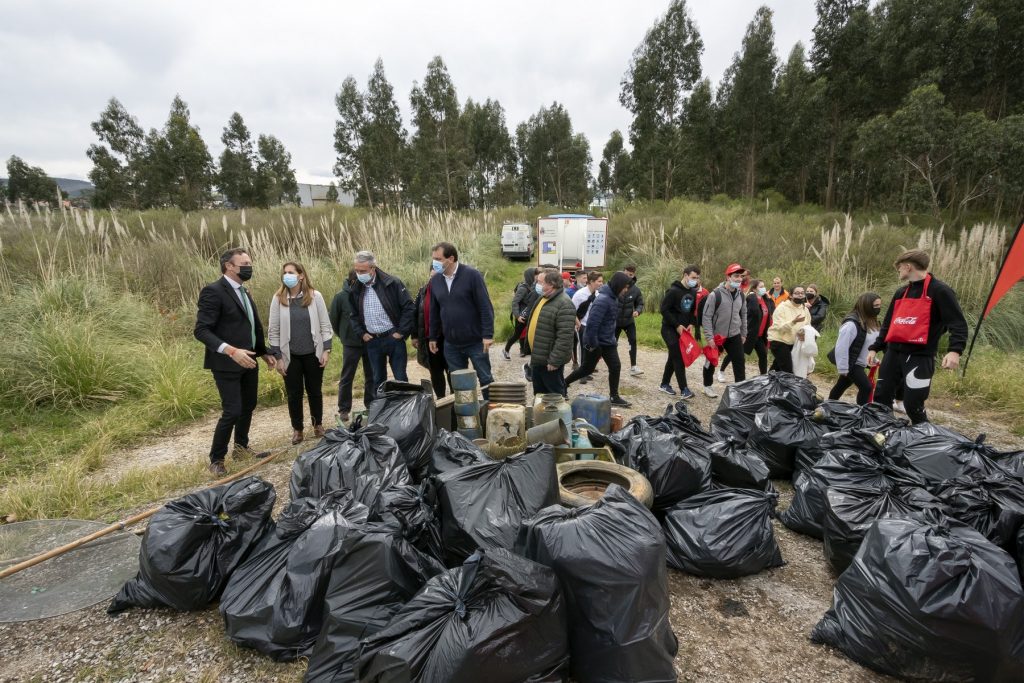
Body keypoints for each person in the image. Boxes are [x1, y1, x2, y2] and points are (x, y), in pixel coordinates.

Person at [194, 248, 276, 477]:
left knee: (248, 406)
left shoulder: (244, 291)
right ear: (229, 266)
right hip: (227, 362)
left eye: (250, 262)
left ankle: (241, 448)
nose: (249, 266)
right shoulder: (213, 292)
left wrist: (263, 351)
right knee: (232, 410)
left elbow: (250, 325)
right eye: (245, 263)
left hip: (249, 360)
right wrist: (230, 351)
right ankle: (216, 459)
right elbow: (201, 330)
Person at [867, 249, 968, 425]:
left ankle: (923, 440)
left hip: (920, 357)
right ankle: (882, 436)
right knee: (881, 399)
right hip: (892, 354)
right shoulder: (901, 292)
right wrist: (875, 348)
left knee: (913, 404)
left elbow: (957, 323)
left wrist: (955, 351)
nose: (898, 272)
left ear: (908, 267)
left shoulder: (940, 291)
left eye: (899, 268)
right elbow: (888, 324)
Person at [268, 262, 333, 445]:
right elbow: (273, 330)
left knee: (315, 391)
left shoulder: (314, 296)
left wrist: (326, 350)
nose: (286, 276)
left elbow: (325, 325)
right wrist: (278, 357)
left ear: (301, 275)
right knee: (294, 393)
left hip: (313, 352)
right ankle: (297, 429)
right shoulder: (278, 298)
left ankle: (317, 424)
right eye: (284, 273)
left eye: (290, 272)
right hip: (290, 355)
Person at [428, 242, 495, 399]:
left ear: (451, 258)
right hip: (451, 343)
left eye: (438, 259)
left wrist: (488, 334)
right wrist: (432, 336)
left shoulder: (472, 276)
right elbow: (434, 310)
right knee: (460, 383)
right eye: (433, 259)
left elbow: (485, 307)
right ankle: (466, 417)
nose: (434, 263)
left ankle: (492, 413)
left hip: (476, 341)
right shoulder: (436, 280)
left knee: (485, 379)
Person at [350, 250, 415, 392]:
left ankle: (403, 410)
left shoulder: (392, 283)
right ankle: (382, 411)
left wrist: (401, 332)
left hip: (393, 337)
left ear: (372, 268)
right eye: (357, 271)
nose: (359, 274)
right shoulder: (356, 288)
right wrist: (362, 334)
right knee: (377, 379)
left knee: (400, 378)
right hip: (372, 340)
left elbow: (409, 308)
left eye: (363, 271)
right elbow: (353, 314)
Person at [565, 271, 633, 407]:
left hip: (608, 341)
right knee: (586, 369)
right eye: (625, 287)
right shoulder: (603, 300)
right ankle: (563, 384)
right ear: (618, 285)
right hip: (597, 342)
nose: (626, 290)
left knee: (615, 366)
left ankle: (614, 396)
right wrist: (593, 344)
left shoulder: (613, 297)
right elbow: (592, 324)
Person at [328, 271, 375, 425]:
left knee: (371, 375)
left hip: (369, 341)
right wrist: (344, 335)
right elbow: (334, 320)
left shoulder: (370, 293)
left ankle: (371, 404)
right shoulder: (340, 297)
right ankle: (343, 409)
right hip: (350, 344)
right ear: (352, 281)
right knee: (347, 376)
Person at [525, 269, 577, 397]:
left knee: (555, 395)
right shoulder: (544, 298)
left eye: (541, 283)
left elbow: (565, 337)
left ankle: (559, 417)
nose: (539, 285)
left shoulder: (564, 303)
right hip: (538, 358)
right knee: (539, 395)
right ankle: (541, 417)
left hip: (549, 361)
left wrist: (554, 360)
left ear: (552, 284)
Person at [700, 264, 748, 397]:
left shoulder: (741, 295)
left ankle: (739, 390)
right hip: (717, 336)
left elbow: (743, 314)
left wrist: (744, 333)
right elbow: (706, 317)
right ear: (728, 277)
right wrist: (709, 337)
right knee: (711, 361)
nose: (739, 279)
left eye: (740, 276)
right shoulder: (715, 295)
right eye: (736, 276)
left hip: (734, 334)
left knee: (739, 362)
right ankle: (707, 386)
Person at [828, 292, 882, 405]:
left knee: (841, 385)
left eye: (879, 305)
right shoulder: (851, 324)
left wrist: (874, 359)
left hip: (859, 362)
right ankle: (862, 414)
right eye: (875, 306)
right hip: (852, 363)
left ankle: (828, 405)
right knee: (866, 387)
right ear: (867, 306)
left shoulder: (872, 321)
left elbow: (867, 344)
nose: (878, 308)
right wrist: (843, 368)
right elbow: (841, 347)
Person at [658, 264, 703, 399]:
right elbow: (664, 310)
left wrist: (691, 323)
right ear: (685, 275)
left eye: (697, 278)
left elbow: (692, 311)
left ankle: (664, 384)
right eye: (693, 277)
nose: (695, 280)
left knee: (673, 357)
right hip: (669, 329)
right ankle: (684, 389)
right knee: (678, 356)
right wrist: (677, 325)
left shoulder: (693, 292)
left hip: (683, 330)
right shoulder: (673, 291)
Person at [413, 266, 450, 398]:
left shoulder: (451, 289)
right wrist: (415, 336)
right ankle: (441, 398)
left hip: (448, 338)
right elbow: (416, 313)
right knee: (435, 371)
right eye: (432, 275)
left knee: (451, 368)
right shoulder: (423, 291)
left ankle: (455, 397)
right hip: (430, 338)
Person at [570, 271, 603, 384]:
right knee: (582, 349)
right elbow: (571, 309)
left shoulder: (598, 294)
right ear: (591, 282)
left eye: (601, 281)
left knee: (591, 349)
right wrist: (577, 323)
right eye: (599, 281)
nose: (601, 283)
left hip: (593, 326)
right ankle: (580, 373)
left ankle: (587, 371)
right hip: (582, 325)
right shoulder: (579, 294)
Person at [768, 285, 809, 373]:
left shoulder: (805, 309)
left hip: (794, 343)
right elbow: (780, 328)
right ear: (790, 295)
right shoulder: (782, 308)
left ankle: (764, 384)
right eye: (797, 293)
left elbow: (808, 326)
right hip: (779, 341)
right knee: (788, 370)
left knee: (776, 370)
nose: (800, 295)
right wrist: (793, 321)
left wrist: (804, 334)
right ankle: (788, 386)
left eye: (802, 293)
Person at [616, 264, 645, 377]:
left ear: (634, 275)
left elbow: (640, 303)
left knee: (633, 341)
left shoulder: (636, 290)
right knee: (611, 343)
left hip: (629, 321)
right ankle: (608, 363)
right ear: (623, 273)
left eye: (631, 275)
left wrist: (637, 311)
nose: (629, 277)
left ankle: (633, 367)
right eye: (627, 274)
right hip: (615, 321)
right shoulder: (616, 286)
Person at [503, 267, 539, 360]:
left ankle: (529, 352)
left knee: (532, 333)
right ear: (531, 276)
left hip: (530, 314)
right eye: (536, 275)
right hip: (521, 316)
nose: (537, 276)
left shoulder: (535, 286)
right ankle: (506, 350)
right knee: (517, 335)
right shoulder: (523, 288)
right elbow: (515, 302)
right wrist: (517, 316)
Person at [743, 279, 774, 375]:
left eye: (764, 286)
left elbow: (772, 309)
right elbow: (753, 310)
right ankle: (722, 370)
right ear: (754, 289)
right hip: (749, 333)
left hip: (760, 335)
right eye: (760, 287)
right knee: (737, 354)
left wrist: (768, 298)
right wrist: (753, 296)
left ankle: (763, 376)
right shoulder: (751, 298)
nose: (763, 288)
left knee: (763, 355)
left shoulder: (765, 299)